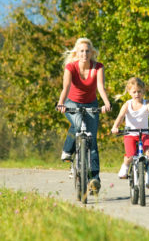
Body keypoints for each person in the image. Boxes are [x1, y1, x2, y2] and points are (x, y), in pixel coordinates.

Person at [57, 37, 111, 193]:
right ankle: (68, 149)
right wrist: (61, 103)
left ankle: (95, 179)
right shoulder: (70, 67)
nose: (84, 54)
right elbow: (66, 87)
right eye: (81, 51)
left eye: (87, 51)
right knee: (78, 124)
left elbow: (100, 87)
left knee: (92, 141)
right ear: (76, 52)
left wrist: (106, 103)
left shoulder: (98, 67)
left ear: (92, 52)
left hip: (91, 104)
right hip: (71, 103)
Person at [111, 77, 149, 188]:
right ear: (129, 92)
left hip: (144, 134)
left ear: (143, 91)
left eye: (139, 91)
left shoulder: (147, 104)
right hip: (130, 134)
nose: (137, 94)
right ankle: (125, 166)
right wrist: (115, 127)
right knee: (130, 156)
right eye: (134, 92)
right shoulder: (127, 104)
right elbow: (120, 116)